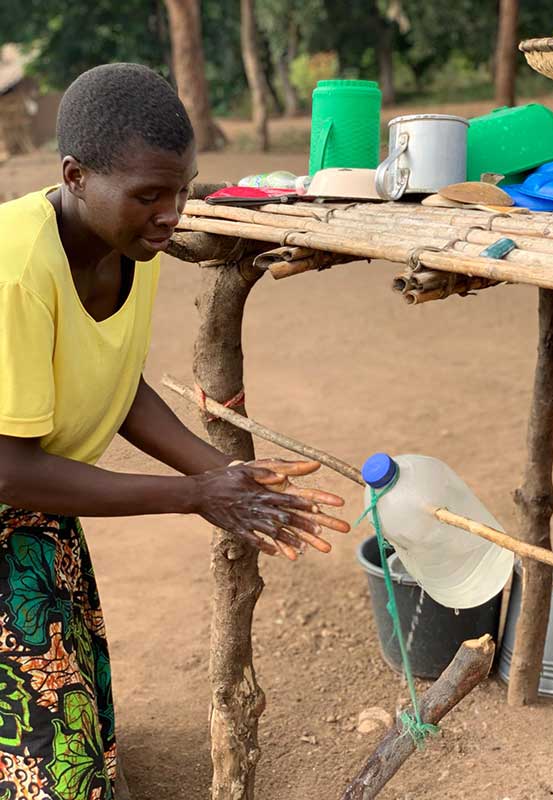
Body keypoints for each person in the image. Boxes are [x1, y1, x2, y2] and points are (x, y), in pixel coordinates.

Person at [0, 63, 350, 799]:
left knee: (67, 704)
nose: (172, 213)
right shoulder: (18, 269)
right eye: (150, 195)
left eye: (184, 187)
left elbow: (112, 380)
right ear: (74, 176)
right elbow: (10, 468)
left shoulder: (131, 244)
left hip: (35, 509)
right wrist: (193, 492)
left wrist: (224, 476)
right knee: (44, 756)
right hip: (16, 496)